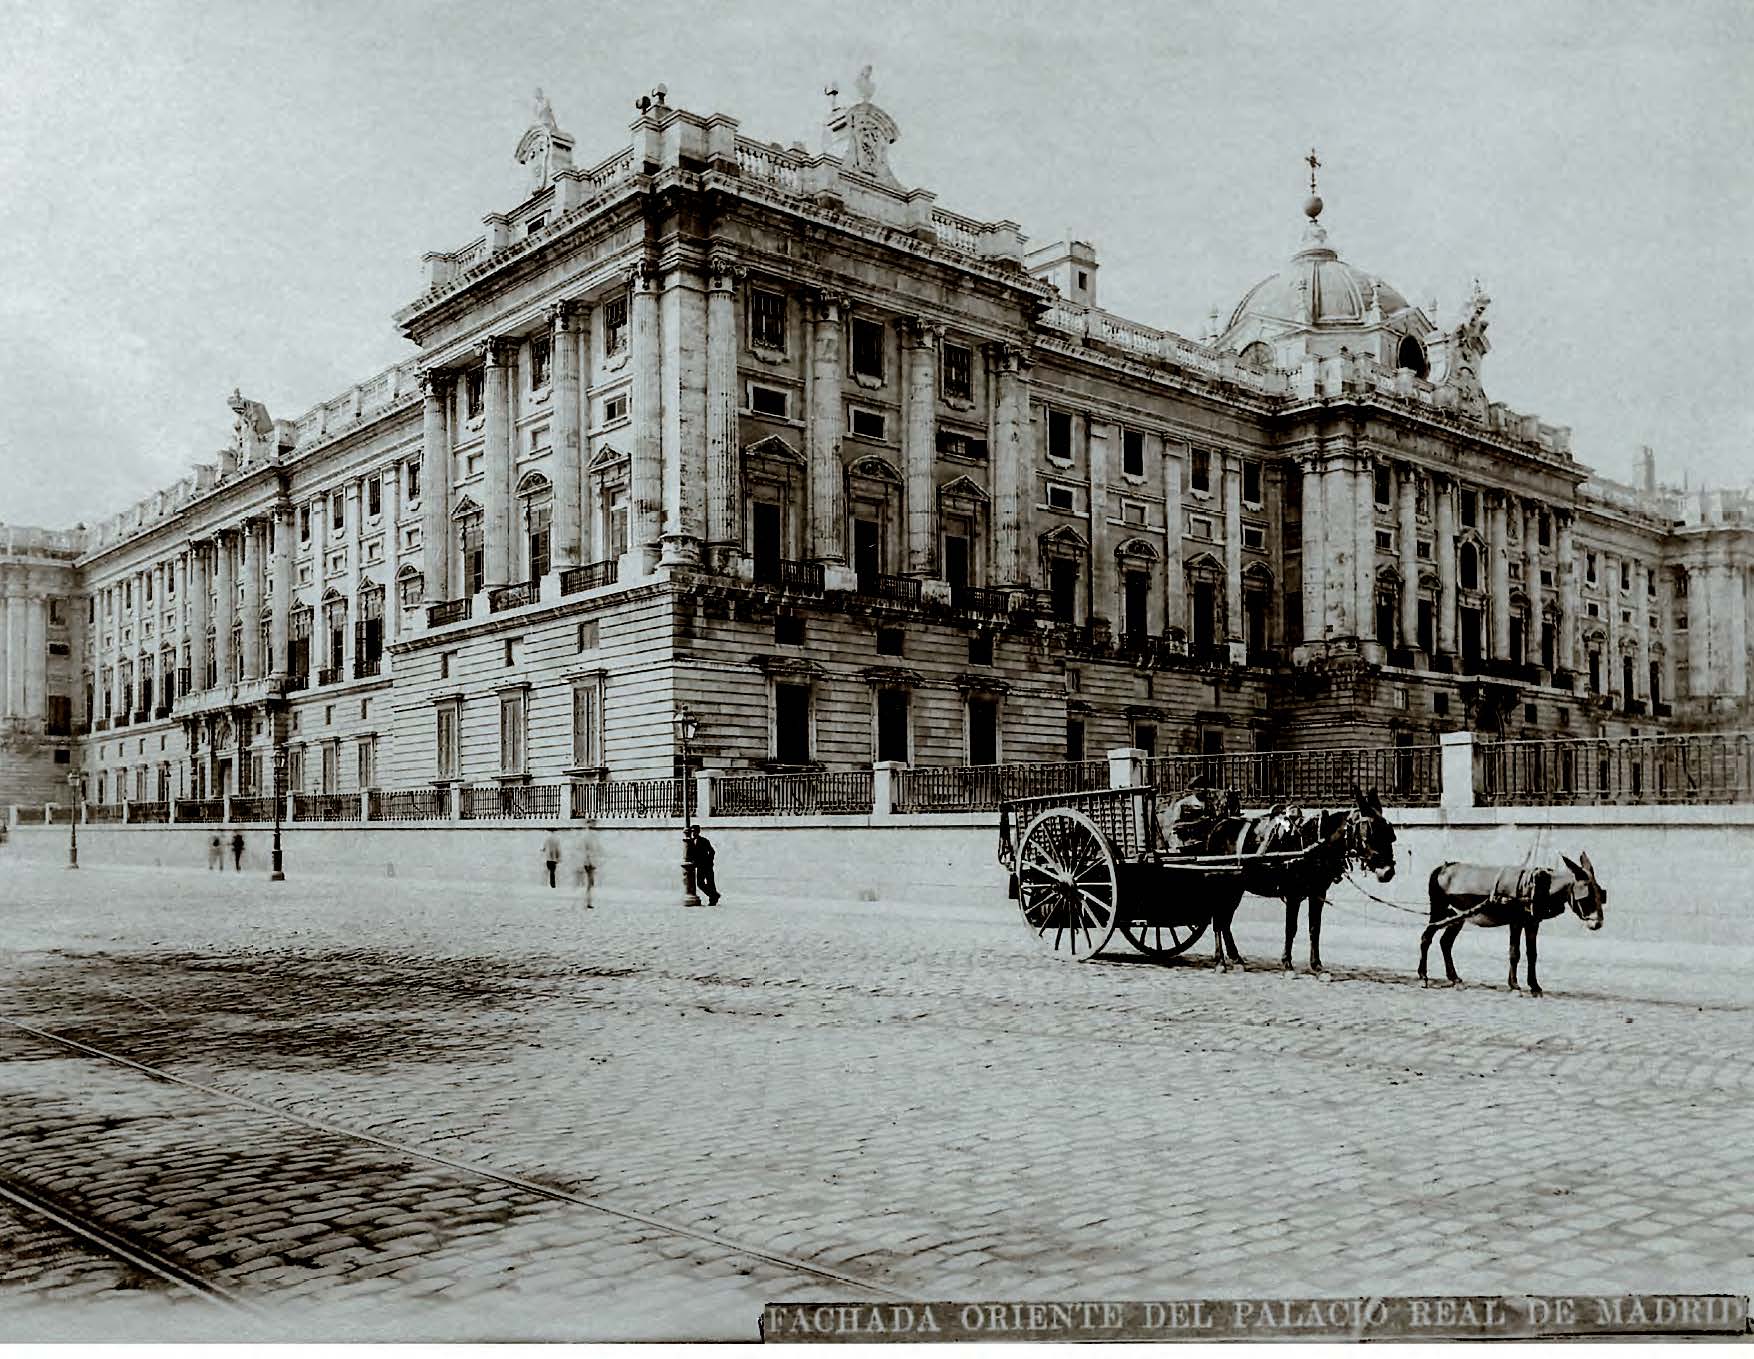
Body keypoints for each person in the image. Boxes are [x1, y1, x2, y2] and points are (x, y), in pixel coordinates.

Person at [1159, 775, 1217, 854]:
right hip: (1184, 843)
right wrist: (1197, 822)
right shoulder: (1183, 804)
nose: (1202, 790)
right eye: (1199, 787)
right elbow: (1176, 825)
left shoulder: (1209, 805)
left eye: (1204, 787)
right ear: (1193, 789)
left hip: (1202, 843)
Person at [685, 825, 720, 906]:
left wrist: (709, 861)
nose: (693, 833)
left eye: (695, 831)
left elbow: (712, 851)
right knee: (700, 883)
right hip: (699, 866)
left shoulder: (704, 841)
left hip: (707, 865)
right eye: (692, 831)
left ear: (698, 832)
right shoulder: (690, 842)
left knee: (710, 883)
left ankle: (713, 900)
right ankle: (714, 895)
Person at [575, 819, 599, 909]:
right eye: (593, 823)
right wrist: (589, 861)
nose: (595, 824)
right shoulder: (588, 835)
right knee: (590, 882)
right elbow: (586, 850)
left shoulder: (589, 835)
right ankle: (588, 902)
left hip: (589, 861)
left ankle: (588, 901)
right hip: (589, 862)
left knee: (590, 883)